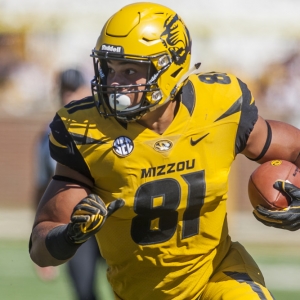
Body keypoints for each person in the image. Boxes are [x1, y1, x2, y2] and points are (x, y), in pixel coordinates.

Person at [29, 3, 300, 300]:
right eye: (109, 68)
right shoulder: (85, 131)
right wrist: (69, 236)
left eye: (130, 70)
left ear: (169, 68)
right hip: (139, 292)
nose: (114, 82)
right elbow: (41, 247)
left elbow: (295, 148)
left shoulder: (219, 106)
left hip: (218, 275)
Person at [34, 68, 104, 300]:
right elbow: (42, 188)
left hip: (115, 221)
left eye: (73, 90)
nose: (68, 97)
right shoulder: (51, 135)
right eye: (64, 91)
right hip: (77, 224)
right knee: (84, 293)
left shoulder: (110, 127)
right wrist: (42, 236)